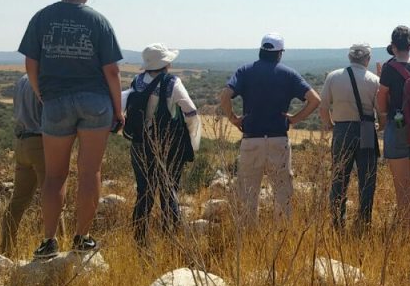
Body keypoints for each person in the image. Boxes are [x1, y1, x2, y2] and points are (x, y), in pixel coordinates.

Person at [19, 0, 123, 260]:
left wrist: (43, 95)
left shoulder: (42, 18)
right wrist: (118, 110)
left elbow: (30, 64)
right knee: (90, 173)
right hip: (95, 103)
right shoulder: (97, 21)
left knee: (54, 176)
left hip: (56, 103)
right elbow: (112, 71)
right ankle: (82, 238)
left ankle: (48, 241)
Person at [219, 33, 320, 224]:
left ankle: (248, 238)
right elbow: (315, 100)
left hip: (251, 139)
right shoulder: (289, 74)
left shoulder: (245, 71)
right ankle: (281, 238)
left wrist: (234, 119)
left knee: (248, 193)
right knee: (282, 192)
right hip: (278, 139)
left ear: (261, 50)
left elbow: (224, 96)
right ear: (279, 53)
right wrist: (294, 119)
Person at [122, 44, 202, 244]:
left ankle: (140, 240)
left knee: (144, 192)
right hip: (166, 146)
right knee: (169, 191)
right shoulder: (172, 82)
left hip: (140, 144)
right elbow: (190, 110)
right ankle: (171, 240)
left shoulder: (137, 81)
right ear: (166, 63)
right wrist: (192, 139)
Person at [319, 43, 380, 231]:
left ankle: (337, 222)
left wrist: (330, 125)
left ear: (349, 57)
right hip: (367, 130)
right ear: (367, 59)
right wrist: (380, 126)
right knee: (367, 177)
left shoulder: (334, 77)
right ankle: (364, 221)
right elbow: (382, 111)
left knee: (339, 177)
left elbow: (323, 107)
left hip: (341, 129)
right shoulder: (374, 80)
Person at [377, 25, 410, 219]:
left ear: (393, 46)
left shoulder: (389, 68)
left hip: (398, 125)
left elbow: (381, 95)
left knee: (402, 182)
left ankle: (405, 224)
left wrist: (383, 117)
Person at [0, 74, 53, 252]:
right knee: (53, 197)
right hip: (41, 142)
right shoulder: (46, 79)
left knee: (19, 200)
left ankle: (6, 248)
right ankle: (56, 248)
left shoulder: (22, 79)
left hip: (22, 142)